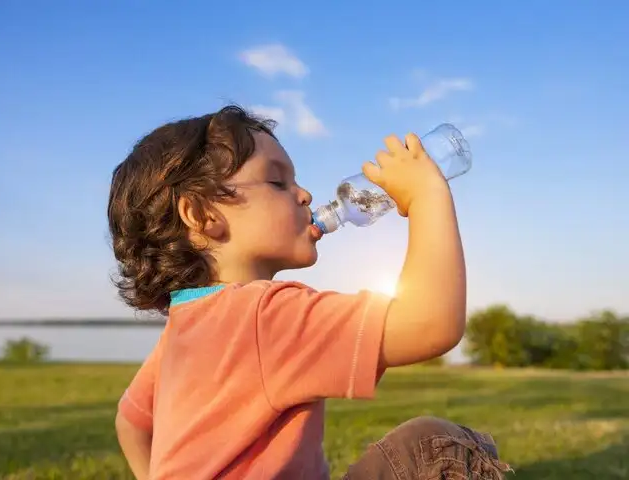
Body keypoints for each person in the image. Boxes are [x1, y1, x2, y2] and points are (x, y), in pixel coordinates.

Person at [108, 106, 511, 479]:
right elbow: (431, 324)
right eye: (277, 181)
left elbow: (131, 422)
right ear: (202, 215)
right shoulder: (263, 316)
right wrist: (427, 195)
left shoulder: (185, 330)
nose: (304, 195)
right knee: (431, 445)